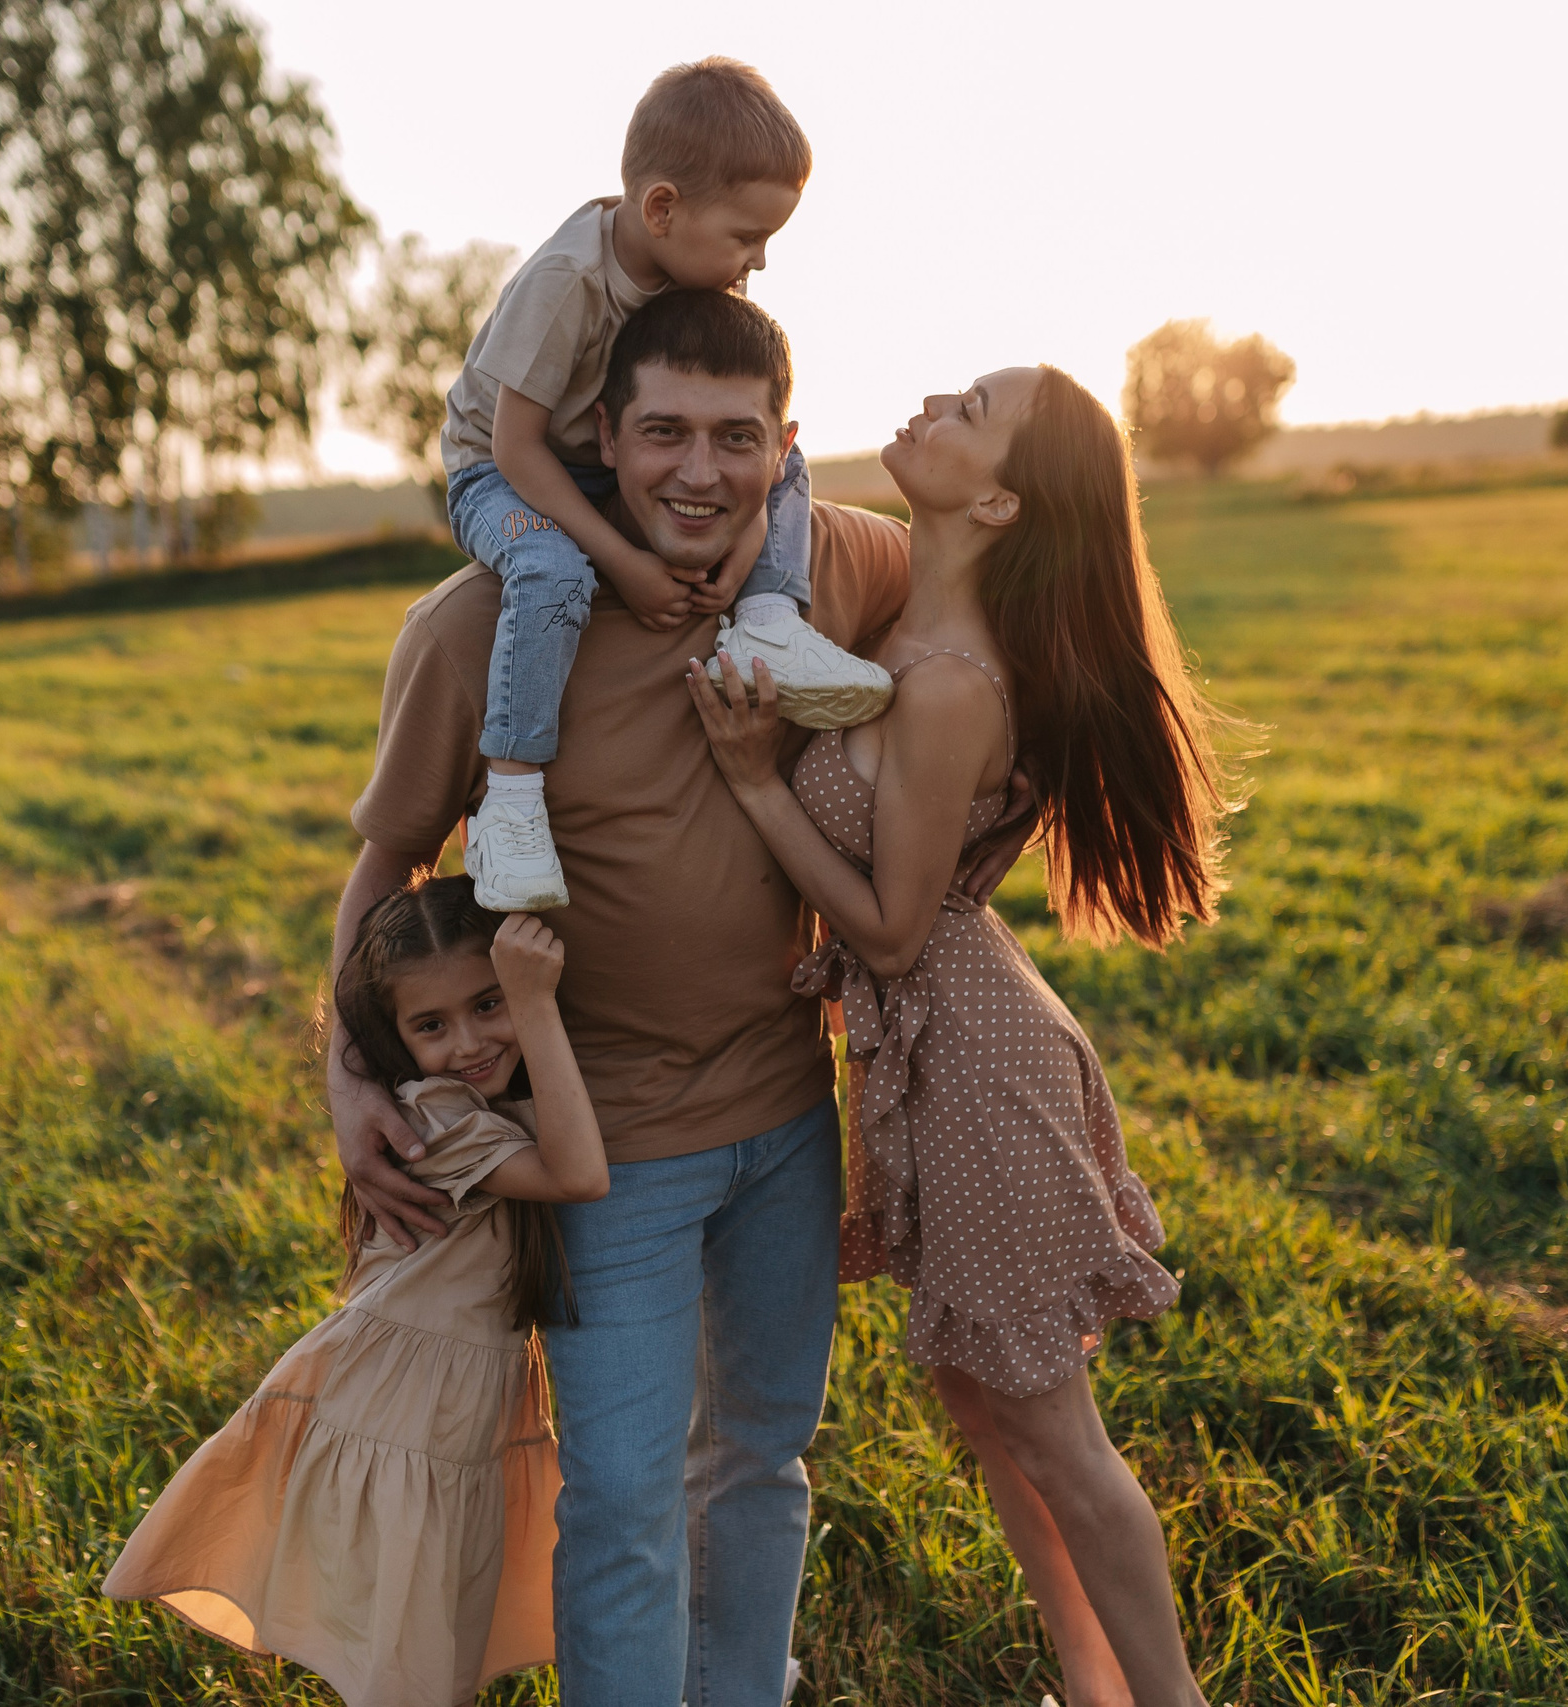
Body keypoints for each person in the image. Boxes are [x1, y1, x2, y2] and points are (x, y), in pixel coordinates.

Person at [330, 289, 1031, 1707]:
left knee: (761, 1460)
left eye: (734, 437)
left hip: (787, 1117)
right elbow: (387, 863)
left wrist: (1005, 814)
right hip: (609, 1150)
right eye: (663, 432)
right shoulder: (480, 629)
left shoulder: (839, 565)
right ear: (602, 434)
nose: (699, 472)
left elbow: (1005, 616)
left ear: (786, 445)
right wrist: (347, 1079)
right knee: (625, 1500)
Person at [687, 364, 1232, 1707]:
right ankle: (1093, 1690)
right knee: (991, 1414)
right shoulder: (904, 630)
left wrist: (756, 780)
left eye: (972, 411)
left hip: (977, 1065)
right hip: (938, 1052)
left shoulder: (945, 682)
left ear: (996, 502)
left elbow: (886, 929)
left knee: (1054, 1430)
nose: (934, 400)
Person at [106, 884, 605, 1707]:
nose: (469, 1042)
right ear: (390, 1036)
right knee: (408, 1667)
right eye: (431, 1025)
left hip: (448, 1412)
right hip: (401, 1415)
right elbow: (579, 1172)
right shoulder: (437, 1116)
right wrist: (531, 1003)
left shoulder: (488, 1101)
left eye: (487, 1003)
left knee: (434, 1649)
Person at [439, 56, 891, 912]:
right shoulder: (567, 282)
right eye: (746, 237)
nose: (758, 260)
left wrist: (744, 555)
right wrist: (623, 562)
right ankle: (512, 801)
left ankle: (767, 623)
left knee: (780, 456)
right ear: (662, 210)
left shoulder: (676, 267)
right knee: (552, 573)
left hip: (590, 456)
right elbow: (516, 447)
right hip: (494, 472)